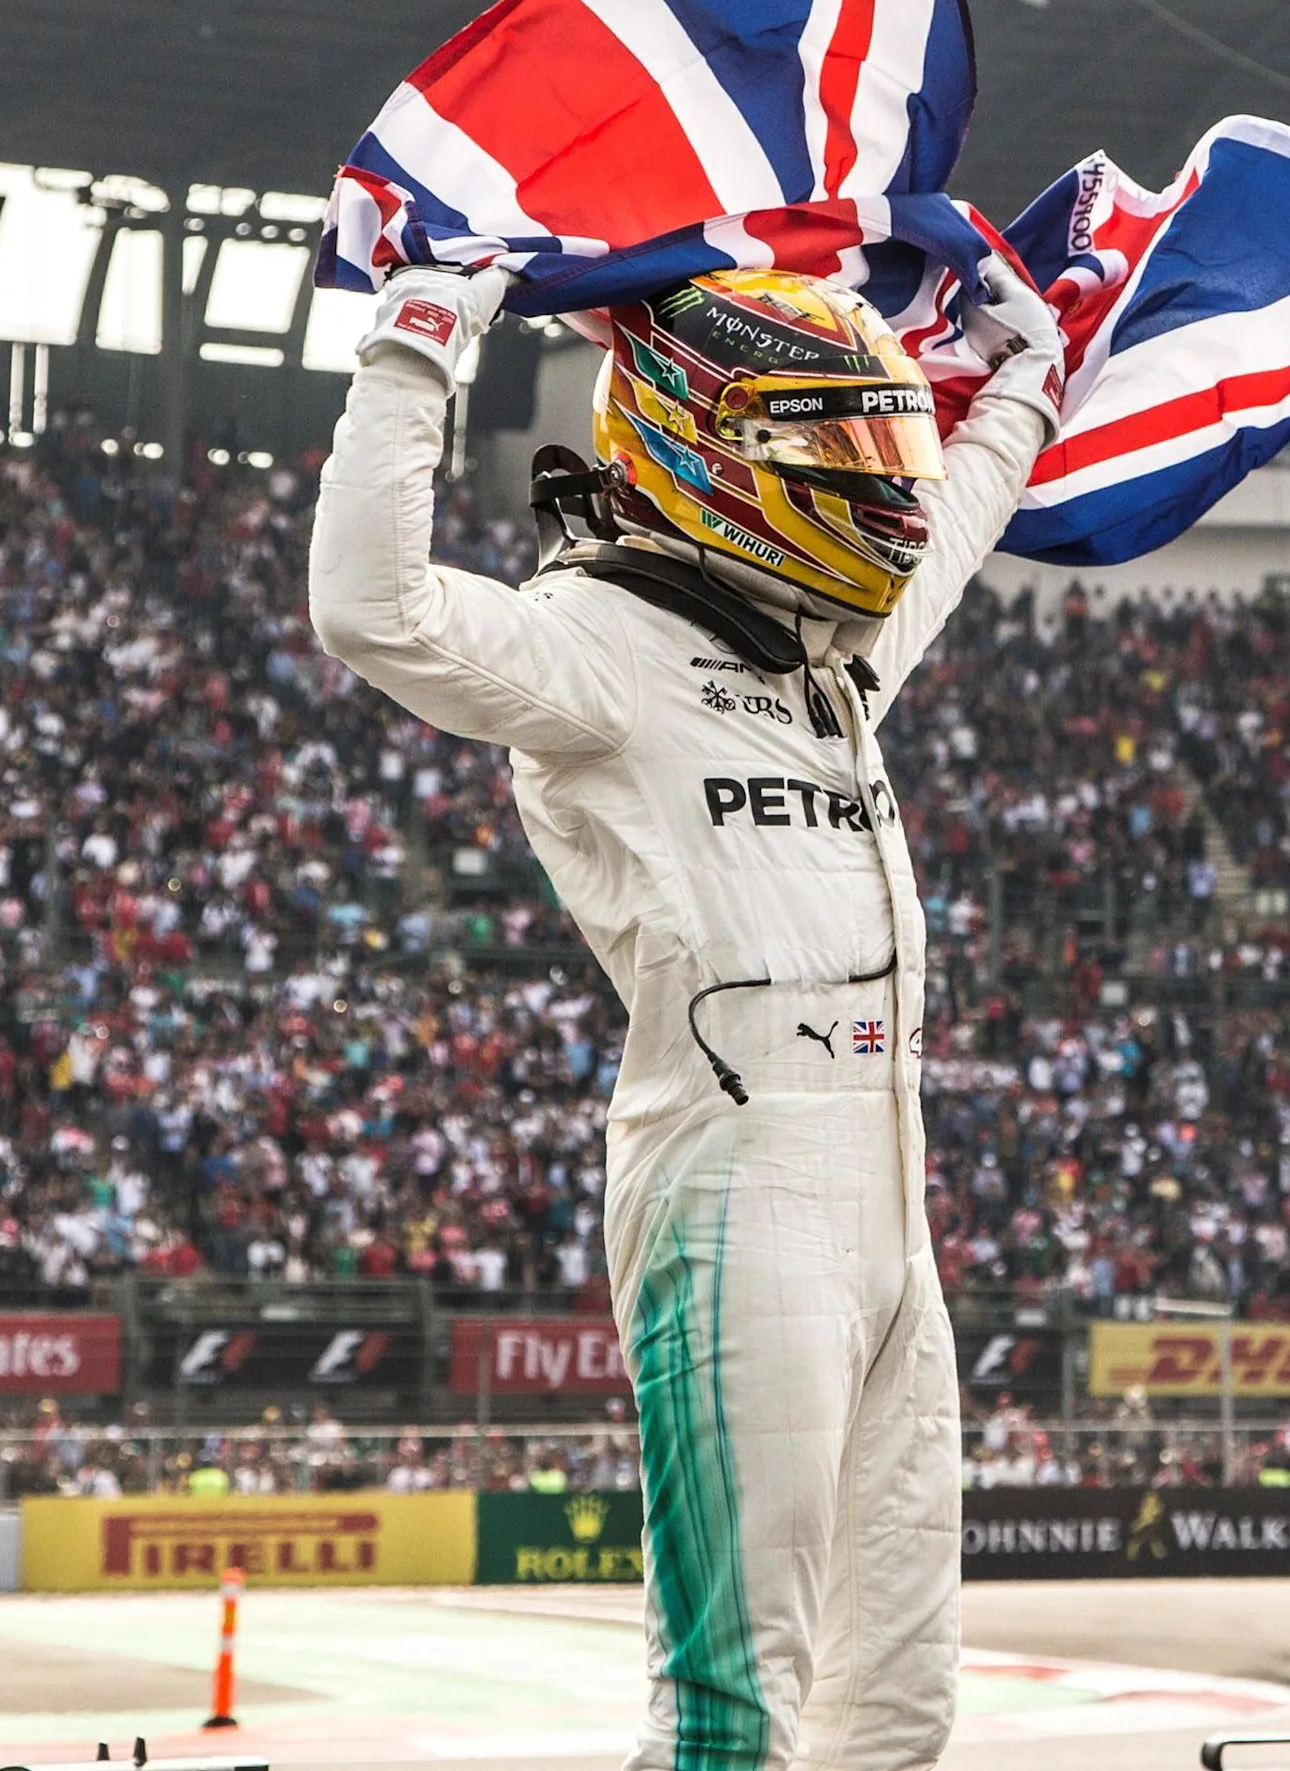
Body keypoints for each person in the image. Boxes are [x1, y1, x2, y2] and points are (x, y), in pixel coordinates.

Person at [310, 255, 1063, 1771]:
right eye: (835, 457)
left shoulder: (825, 661)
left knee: (897, 1703)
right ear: (720, 460)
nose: (882, 499)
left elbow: (955, 534)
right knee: (732, 1699)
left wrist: (1027, 388)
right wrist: (417, 346)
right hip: (734, 1171)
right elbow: (369, 609)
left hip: (883, 1182)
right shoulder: (599, 648)